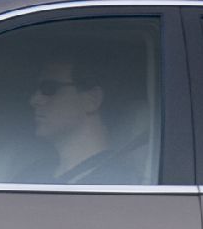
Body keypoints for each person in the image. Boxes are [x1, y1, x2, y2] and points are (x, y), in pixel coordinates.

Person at [27, 40, 150, 184]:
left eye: (49, 88)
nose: (34, 100)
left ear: (92, 99)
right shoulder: (35, 172)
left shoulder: (116, 184)